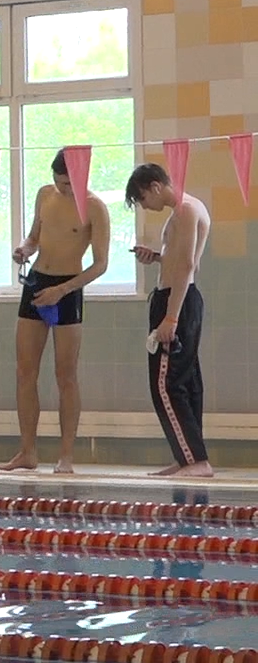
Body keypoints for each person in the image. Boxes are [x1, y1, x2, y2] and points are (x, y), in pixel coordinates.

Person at [1, 149, 112, 475]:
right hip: (37, 283)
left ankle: (65, 456)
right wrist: (24, 249)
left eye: (67, 183)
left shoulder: (95, 208)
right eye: (58, 181)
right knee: (25, 372)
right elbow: (35, 237)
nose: (62, 188)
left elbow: (101, 264)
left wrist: (63, 290)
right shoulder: (45, 195)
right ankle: (27, 452)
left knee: (65, 376)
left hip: (67, 289)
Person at [126, 163, 214, 478]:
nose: (143, 206)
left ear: (154, 186)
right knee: (186, 383)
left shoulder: (186, 209)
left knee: (166, 384)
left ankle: (196, 461)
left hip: (178, 300)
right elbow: (179, 259)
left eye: (140, 199)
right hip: (179, 297)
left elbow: (189, 264)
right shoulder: (183, 211)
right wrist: (157, 256)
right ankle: (187, 456)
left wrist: (171, 317)